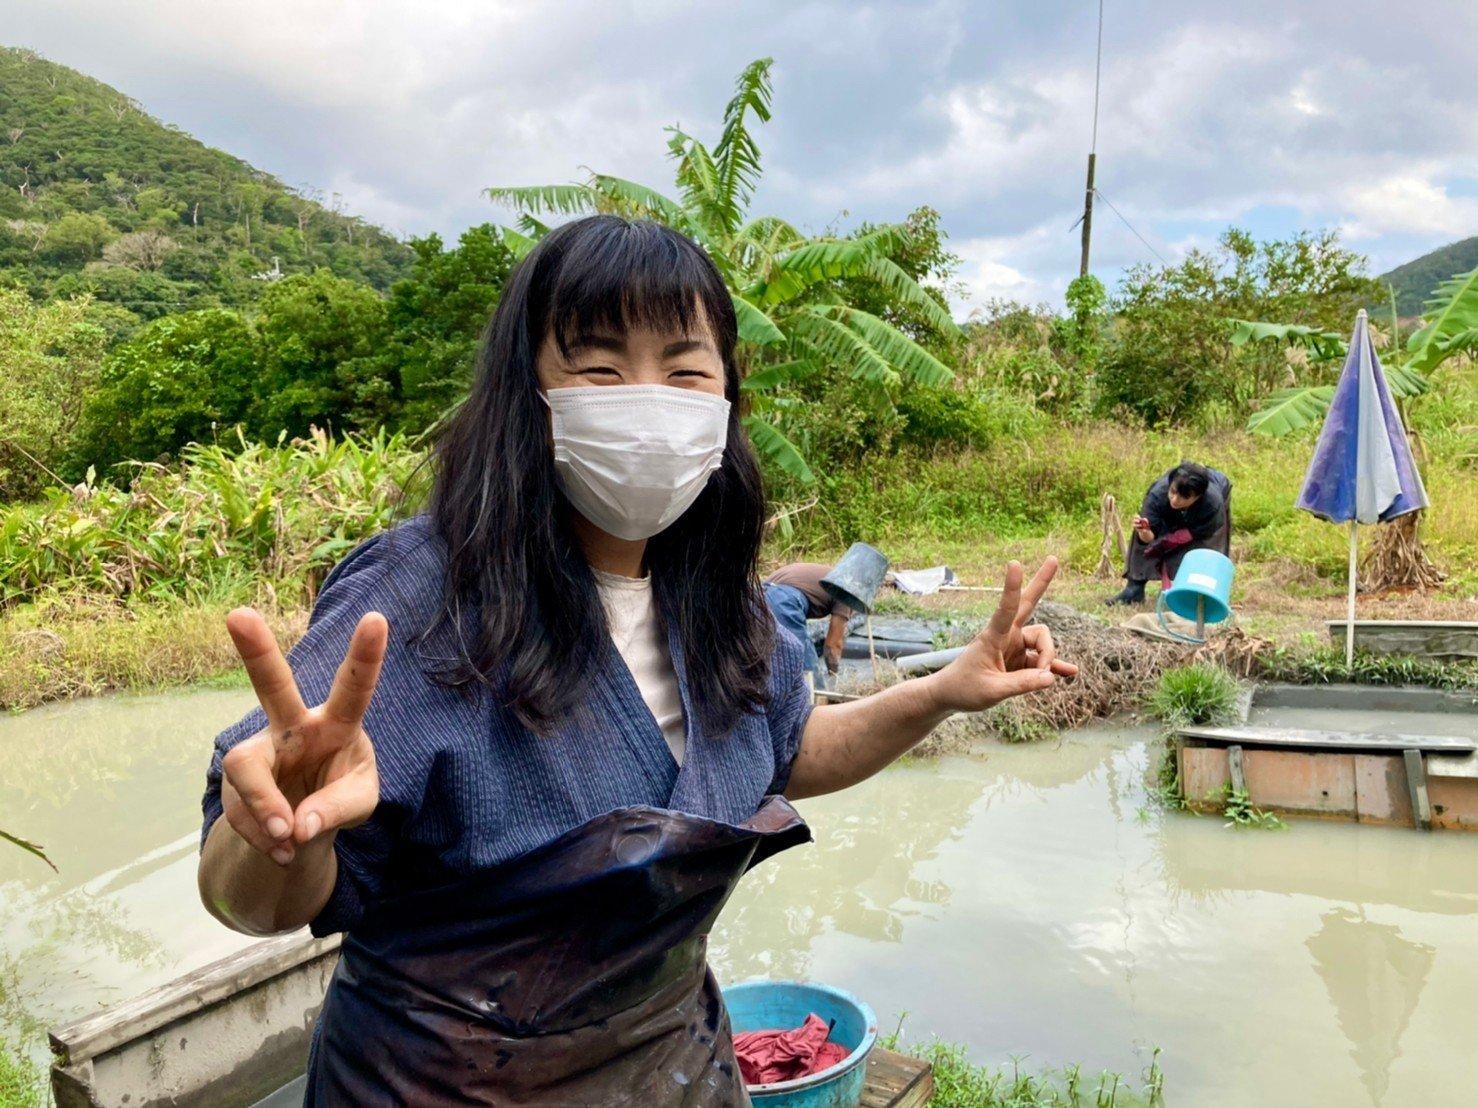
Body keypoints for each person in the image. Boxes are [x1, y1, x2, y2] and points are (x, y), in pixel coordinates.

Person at [196, 215, 1077, 1107]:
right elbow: (254, 901)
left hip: (672, 1072)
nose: (650, 400)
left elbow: (782, 749)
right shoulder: (420, 599)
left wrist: (941, 691)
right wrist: (277, 834)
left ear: (727, 395)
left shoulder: (716, 596)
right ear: (527, 390)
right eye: (601, 367)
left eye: (686, 369)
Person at [1108, 461, 1232, 606]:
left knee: (1204, 548)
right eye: (1173, 492)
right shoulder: (1158, 495)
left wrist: (1175, 540)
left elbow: (1203, 534)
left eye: (1184, 497)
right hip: (1166, 509)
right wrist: (1145, 532)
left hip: (1207, 512)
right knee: (1142, 530)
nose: (1175, 500)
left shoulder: (1212, 504)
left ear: (1197, 497)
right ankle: (1134, 589)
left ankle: (1200, 592)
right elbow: (1149, 538)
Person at [763, 562, 853, 684]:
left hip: (757, 597)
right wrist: (834, 676)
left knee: (769, 660)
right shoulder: (846, 589)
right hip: (783, 601)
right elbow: (833, 646)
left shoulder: (828, 573)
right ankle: (817, 700)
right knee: (808, 671)